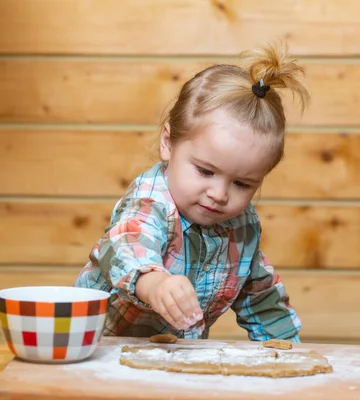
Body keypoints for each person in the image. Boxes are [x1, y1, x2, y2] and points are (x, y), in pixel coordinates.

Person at [74, 42, 310, 342]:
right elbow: (127, 243)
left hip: (173, 359)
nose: (219, 194)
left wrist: (287, 350)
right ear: (168, 143)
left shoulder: (241, 226)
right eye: (205, 171)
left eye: (242, 184)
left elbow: (261, 299)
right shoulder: (150, 199)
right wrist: (154, 282)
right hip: (97, 348)